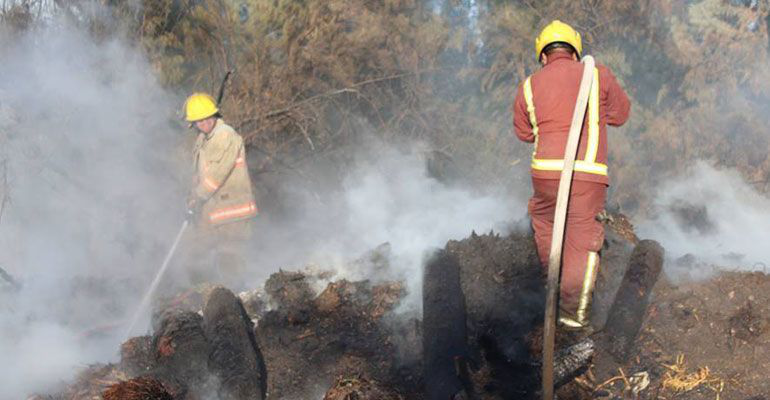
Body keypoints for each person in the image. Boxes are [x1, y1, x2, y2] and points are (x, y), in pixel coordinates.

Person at [513, 20, 631, 329]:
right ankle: (572, 319)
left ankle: (550, 288)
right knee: (581, 239)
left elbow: (524, 133)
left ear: (542, 55)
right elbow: (621, 114)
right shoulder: (597, 74)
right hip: (585, 175)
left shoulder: (528, 85)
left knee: (545, 225)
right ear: (575, 51)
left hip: (544, 176)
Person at [183, 92, 258, 284]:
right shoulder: (203, 140)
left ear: (215, 115)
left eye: (207, 118)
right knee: (195, 251)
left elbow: (216, 175)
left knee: (230, 257)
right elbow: (199, 175)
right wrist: (192, 199)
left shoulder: (226, 136)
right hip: (211, 210)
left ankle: (238, 299)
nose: (204, 123)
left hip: (232, 211)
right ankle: (200, 296)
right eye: (199, 121)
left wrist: (198, 197)